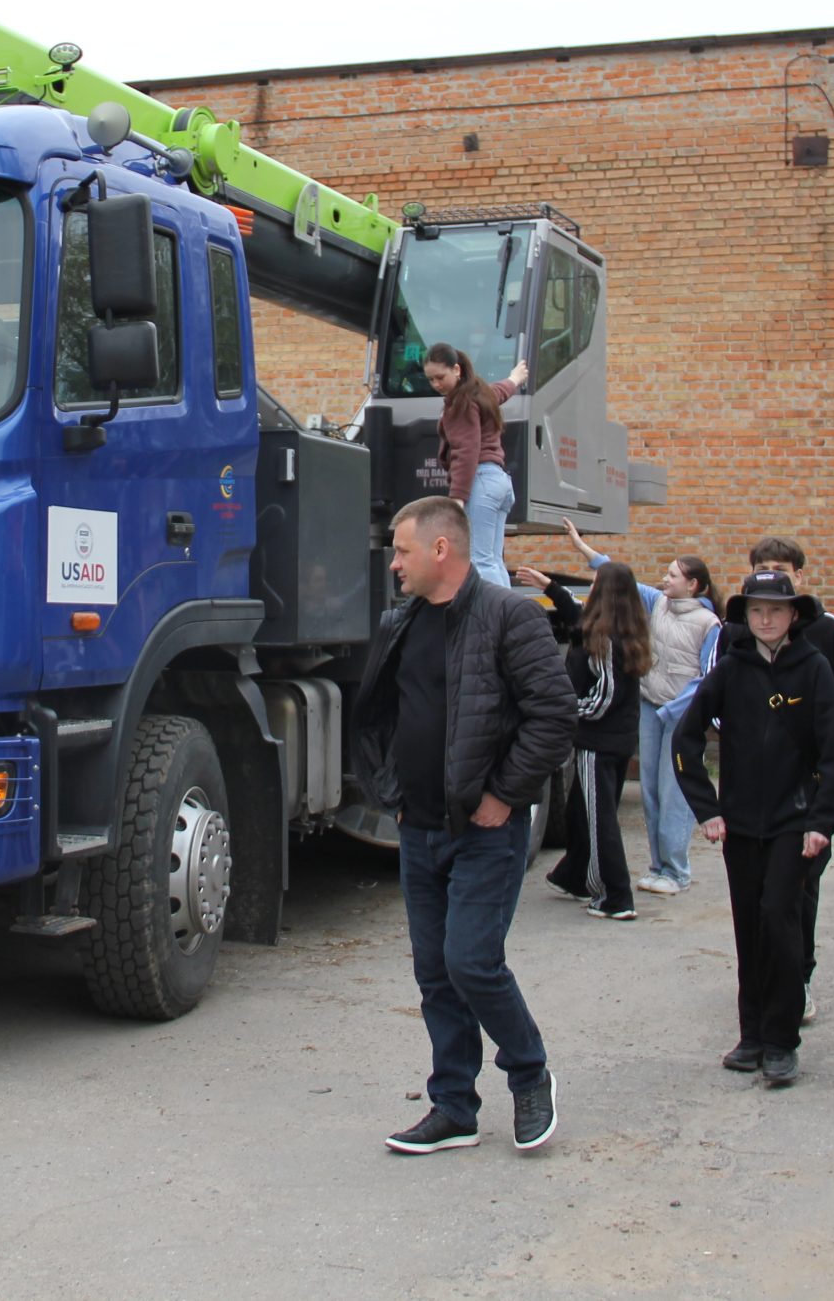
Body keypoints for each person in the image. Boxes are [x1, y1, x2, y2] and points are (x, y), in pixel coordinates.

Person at [350, 495, 574, 1156]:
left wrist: (505, 794)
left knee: (471, 961)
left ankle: (530, 1075)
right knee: (434, 973)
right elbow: (377, 715)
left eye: (402, 550)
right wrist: (389, 789)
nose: (394, 563)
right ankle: (454, 1105)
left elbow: (554, 715)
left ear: (440, 550)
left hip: (485, 831)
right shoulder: (402, 622)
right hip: (417, 828)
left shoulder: (510, 617)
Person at [677, 568, 834, 1088]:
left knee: (780, 920)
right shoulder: (730, 670)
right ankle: (751, 1034)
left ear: (794, 615)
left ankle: (781, 1040)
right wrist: (707, 809)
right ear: (744, 617)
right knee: (748, 925)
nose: (766, 618)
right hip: (741, 825)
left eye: (776, 609)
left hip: (795, 825)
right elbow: (685, 739)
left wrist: (823, 821)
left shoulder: (814, 668)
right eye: (756, 610)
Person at [562, 520, 719, 896]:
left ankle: (676, 870)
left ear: (694, 584)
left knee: (673, 789)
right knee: (648, 789)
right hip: (651, 711)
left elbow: (708, 676)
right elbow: (617, 575)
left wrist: (675, 710)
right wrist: (581, 546)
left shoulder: (709, 622)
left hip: (679, 717)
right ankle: (657, 865)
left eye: (673, 575)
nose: (665, 579)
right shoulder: (658, 604)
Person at [743, 537, 834, 1023]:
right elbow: (717, 703)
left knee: (799, 889)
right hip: (755, 790)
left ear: (800, 576)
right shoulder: (737, 633)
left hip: (811, 787)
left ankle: (799, 976)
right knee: (758, 894)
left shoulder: (830, 634)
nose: (774, 575)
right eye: (763, 568)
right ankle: (762, 980)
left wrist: (817, 741)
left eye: (782, 569)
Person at [516, 561, 651, 919]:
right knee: (581, 809)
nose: (588, 591)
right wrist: (548, 585)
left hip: (598, 744)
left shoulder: (605, 641)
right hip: (614, 741)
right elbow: (574, 612)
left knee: (598, 819)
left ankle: (614, 897)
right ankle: (575, 876)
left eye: (595, 585)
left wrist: (566, 707)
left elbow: (603, 698)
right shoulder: (619, 628)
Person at [421, 343, 528, 587]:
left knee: (479, 561)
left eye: (440, 377)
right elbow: (500, 391)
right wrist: (515, 379)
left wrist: (457, 498)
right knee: (493, 560)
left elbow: (466, 450)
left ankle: (496, 621)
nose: (436, 384)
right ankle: (507, 617)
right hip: (499, 482)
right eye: (430, 380)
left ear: (456, 369)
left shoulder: (459, 404)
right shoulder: (478, 392)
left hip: (480, 482)